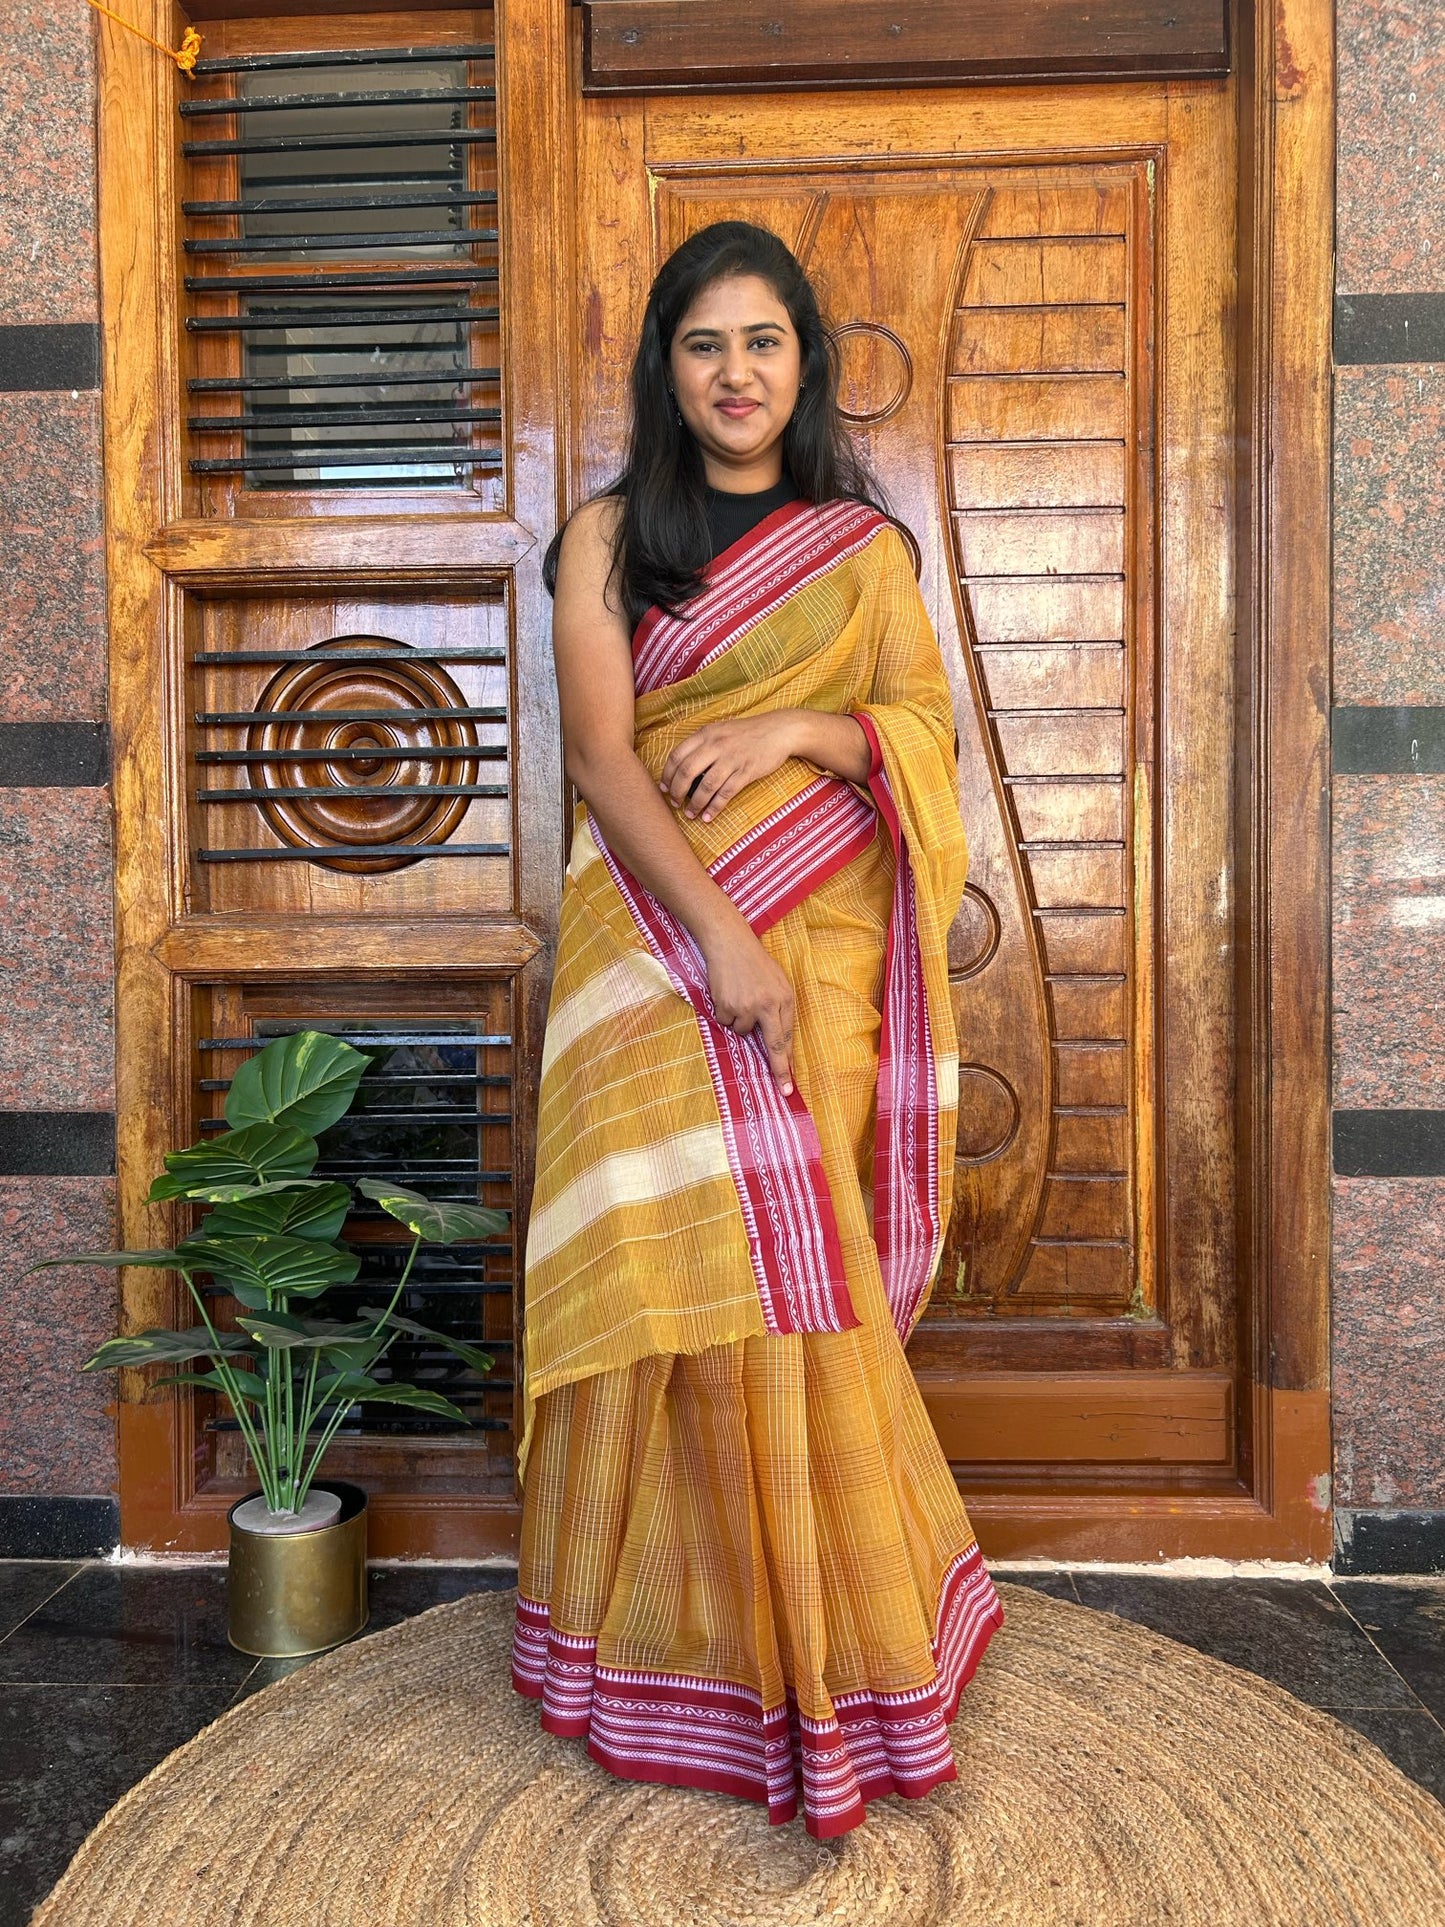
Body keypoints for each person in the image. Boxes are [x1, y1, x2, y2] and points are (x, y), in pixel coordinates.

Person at [509, 219, 1005, 1841]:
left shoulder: (860, 558)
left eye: (764, 343)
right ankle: (655, 1649)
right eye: (704, 344)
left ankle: (827, 1655)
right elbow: (601, 759)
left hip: (829, 955)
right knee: (674, 1277)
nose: (735, 374)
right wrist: (724, 942)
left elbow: (923, 734)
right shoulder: (603, 538)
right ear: (666, 365)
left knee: (796, 1290)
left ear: (807, 364)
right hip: (658, 959)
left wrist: (806, 719)